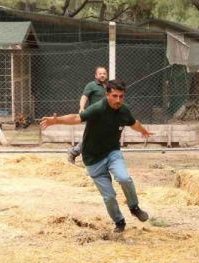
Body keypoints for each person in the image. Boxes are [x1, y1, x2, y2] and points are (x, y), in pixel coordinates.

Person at [41, 79, 152, 232]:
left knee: (124, 178)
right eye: (114, 96)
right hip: (92, 159)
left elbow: (133, 123)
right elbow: (76, 118)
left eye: (121, 96)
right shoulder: (98, 108)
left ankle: (134, 207)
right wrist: (56, 120)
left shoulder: (124, 110)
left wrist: (143, 131)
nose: (118, 100)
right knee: (109, 196)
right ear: (107, 95)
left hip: (112, 153)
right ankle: (119, 222)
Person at [67, 65, 108, 164]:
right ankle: (74, 152)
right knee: (91, 137)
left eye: (104, 73)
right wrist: (81, 108)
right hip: (94, 116)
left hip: (105, 117)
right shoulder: (91, 85)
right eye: (100, 73)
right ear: (96, 75)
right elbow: (84, 97)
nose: (102, 75)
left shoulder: (107, 86)